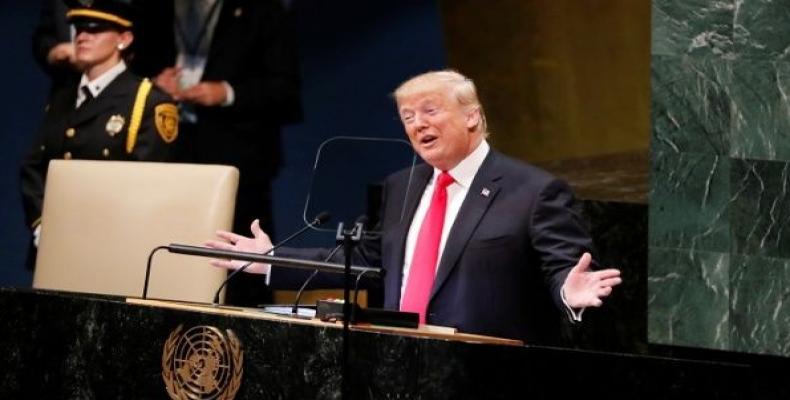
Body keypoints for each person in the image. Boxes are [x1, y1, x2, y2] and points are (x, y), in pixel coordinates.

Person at [206, 70, 621, 344]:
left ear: (473, 117)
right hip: (398, 363)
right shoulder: (400, 186)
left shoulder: (535, 191)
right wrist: (271, 260)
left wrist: (568, 290)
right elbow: (367, 260)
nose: (417, 124)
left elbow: (562, 268)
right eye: (407, 117)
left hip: (487, 374)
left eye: (430, 110)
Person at [153, 0, 302, 306]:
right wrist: (153, 83)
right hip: (171, 156)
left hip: (240, 161)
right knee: (173, 260)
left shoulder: (264, 12)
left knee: (242, 269)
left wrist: (227, 92)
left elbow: (287, 94)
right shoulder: (155, 9)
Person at [21, 0, 179, 252]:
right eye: (79, 28)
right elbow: (34, 166)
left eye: (95, 29)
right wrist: (43, 225)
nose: (83, 36)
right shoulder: (64, 96)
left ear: (124, 39)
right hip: (54, 240)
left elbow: (146, 182)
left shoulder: (147, 100)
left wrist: (96, 233)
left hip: (112, 244)